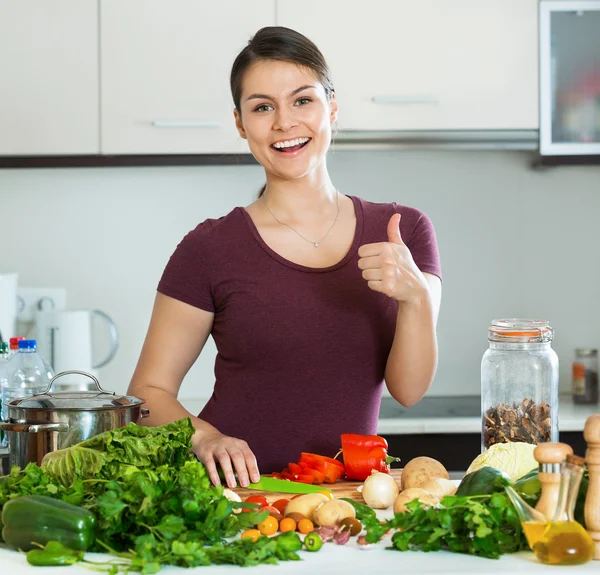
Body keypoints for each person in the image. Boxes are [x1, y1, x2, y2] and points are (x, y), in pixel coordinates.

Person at [128, 26, 442, 490]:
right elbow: (147, 393)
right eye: (262, 107)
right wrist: (205, 438)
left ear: (331, 108)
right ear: (240, 123)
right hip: (237, 499)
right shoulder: (209, 248)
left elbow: (409, 391)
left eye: (302, 101)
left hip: (350, 498)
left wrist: (415, 298)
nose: (284, 123)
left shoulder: (404, 230)